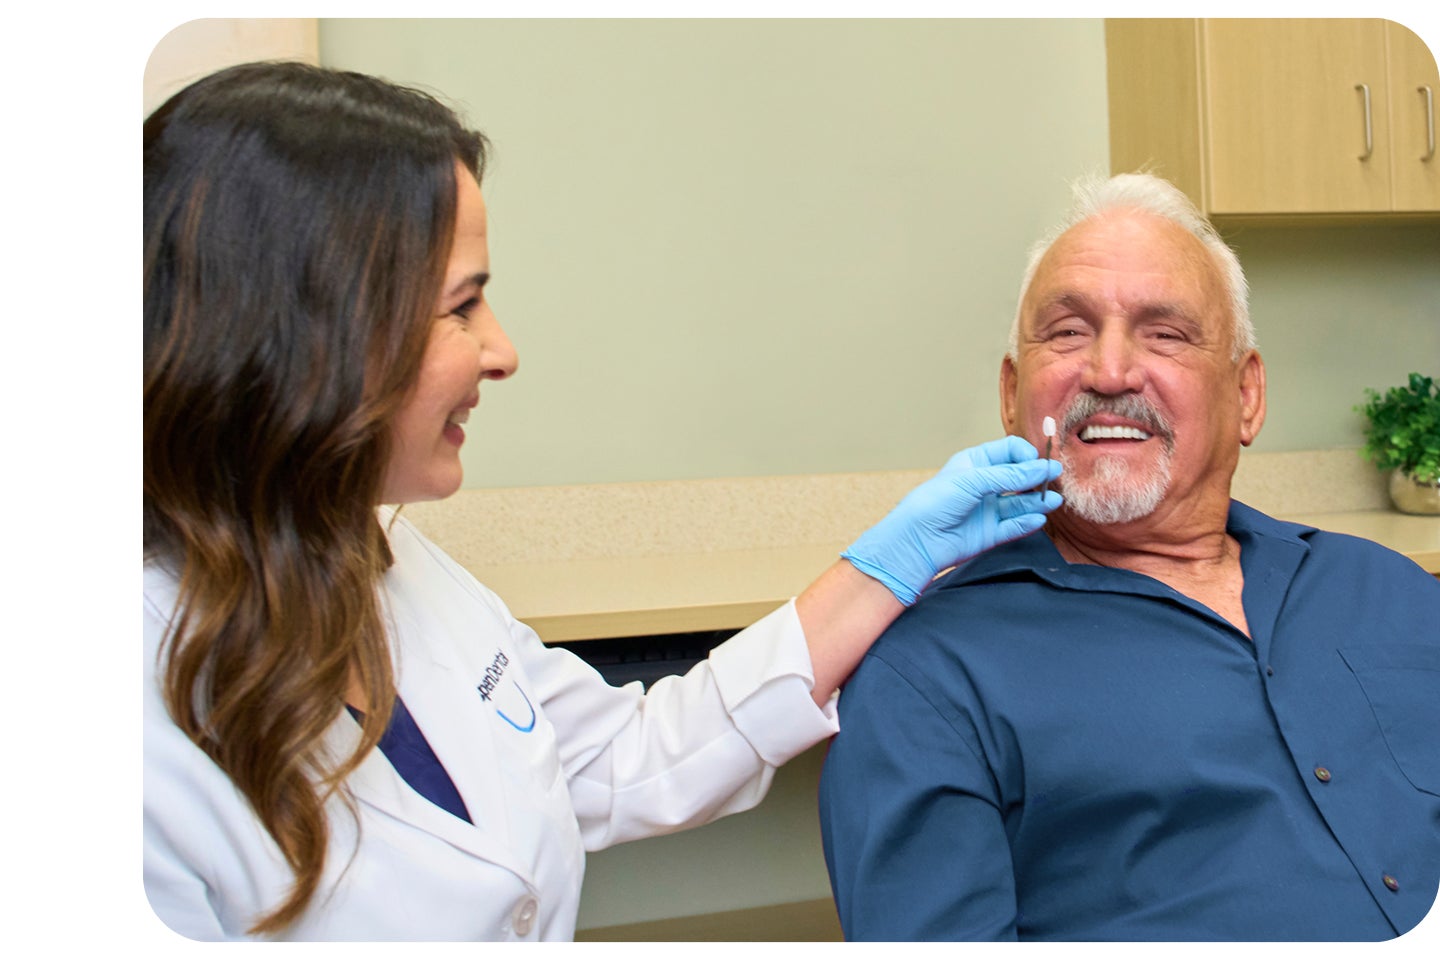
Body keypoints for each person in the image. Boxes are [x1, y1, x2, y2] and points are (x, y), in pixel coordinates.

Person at [142, 61, 1062, 941]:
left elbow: (625, 758)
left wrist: (883, 568)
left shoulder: (387, 563)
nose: (501, 352)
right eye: (461, 308)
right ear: (310, 335)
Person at [817, 171, 1440, 941]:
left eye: (1166, 333)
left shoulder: (1389, 589)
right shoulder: (928, 677)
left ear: (1246, 396)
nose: (1109, 373)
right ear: (1012, 396)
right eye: (1069, 332)